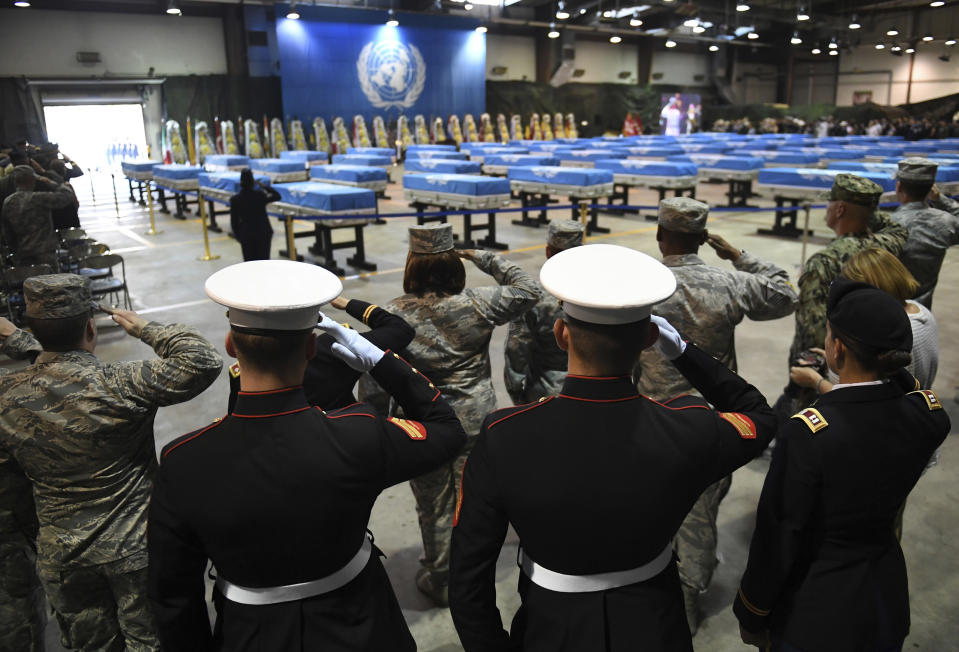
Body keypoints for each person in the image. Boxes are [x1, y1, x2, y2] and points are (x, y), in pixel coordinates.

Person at [449, 244, 778, 652]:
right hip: (656, 623)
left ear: (561, 334)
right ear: (649, 339)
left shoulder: (505, 436)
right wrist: (684, 352)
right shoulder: (690, 429)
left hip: (551, 628)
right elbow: (759, 416)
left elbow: (467, 581)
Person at [147, 260, 467, 651]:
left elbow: (173, 598)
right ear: (312, 345)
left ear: (231, 345)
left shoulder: (184, 461)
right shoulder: (359, 434)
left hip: (250, 633)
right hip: (361, 624)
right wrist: (379, 360)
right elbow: (448, 429)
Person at [0, 274, 222, 652]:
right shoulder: (120, 383)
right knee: (151, 642)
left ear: (30, 327)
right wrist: (146, 328)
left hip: (63, 553)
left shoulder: (7, 395)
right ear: (91, 327)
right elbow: (202, 360)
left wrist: (21, 341)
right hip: (135, 549)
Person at [734, 278, 951, 652]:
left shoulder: (808, 436)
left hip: (818, 611)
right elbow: (905, 387)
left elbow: (778, 538)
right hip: (885, 597)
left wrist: (752, 612)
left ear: (836, 349)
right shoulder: (929, 417)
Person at [635, 197, 798, 634]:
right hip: (714, 424)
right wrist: (740, 257)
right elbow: (785, 293)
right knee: (700, 513)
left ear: (660, 233)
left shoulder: (643, 285)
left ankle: (662, 587)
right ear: (704, 239)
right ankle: (687, 596)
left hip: (653, 421)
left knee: (652, 508)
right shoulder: (728, 283)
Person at [384, 224, 539, 605]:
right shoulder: (478, 303)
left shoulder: (391, 314)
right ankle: (472, 576)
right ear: (453, 264)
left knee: (433, 503)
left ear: (411, 266)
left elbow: (378, 378)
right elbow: (529, 290)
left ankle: (442, 579)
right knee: (473, 501)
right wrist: (482, 256)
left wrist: (381, 428)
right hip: (474, 419)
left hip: (422, 426)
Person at [788, 173, 907, 379]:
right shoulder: (887, 245)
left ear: (840, 209)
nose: (827, 208)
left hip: (834, 370)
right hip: (874, 357)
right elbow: (898, 229)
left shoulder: (824, 261)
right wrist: (865, 211)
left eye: (831, 203)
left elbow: (812, 331)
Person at [226, 294, 415, 413]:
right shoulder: (332, 350)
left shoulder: (239, 376)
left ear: (231, 347)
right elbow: (400, 330)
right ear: (310, 347)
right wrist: (348, 304)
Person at [0, 316, 45, 652]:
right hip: (9, 534)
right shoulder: (8, 396)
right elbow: (61, 368)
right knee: (19, 623)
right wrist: (17, 337)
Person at [504, 219, 584, 404]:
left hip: (545, 392)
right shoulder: (598, 291)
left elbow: (517, 349)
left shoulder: (532, 299)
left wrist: (516, 391)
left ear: (548, 251)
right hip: (593, 389)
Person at [890, 158, 959, 309]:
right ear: (931, 189)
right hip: (922, 313)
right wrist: (940, 199)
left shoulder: (887, 224)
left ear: (898, 187)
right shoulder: (945, 222)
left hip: (886, 313)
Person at [1, 165, 74, 268]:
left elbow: (7, 232)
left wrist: (15, 250)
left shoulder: (8, 202)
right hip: (45, 253)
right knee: (51, 281)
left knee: (28, 282)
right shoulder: (38, 198)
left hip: (22, 254)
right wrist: (50, 182)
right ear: (32, 180)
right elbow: (67, 195)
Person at [229, 169, 280, 261]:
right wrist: (264, 186)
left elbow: (234, 222)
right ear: (253, 182)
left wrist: (239, 236)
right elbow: (277, 196)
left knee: (250, 264)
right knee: (264, 261)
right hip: (263, 232)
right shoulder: (260, 196)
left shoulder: (235, 199)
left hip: (247, 234)